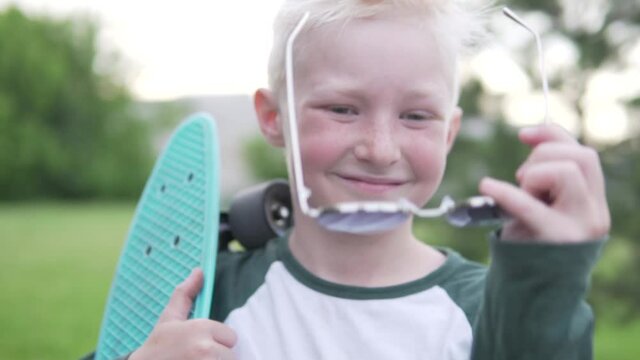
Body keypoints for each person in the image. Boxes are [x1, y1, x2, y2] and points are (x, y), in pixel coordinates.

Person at [129, 0, 610, 359]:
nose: (380, 150)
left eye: (417, 116)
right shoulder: (204, 294)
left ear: (449, 133)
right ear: (274, 118)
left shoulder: (496, 314)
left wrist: (547, 279)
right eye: (342, 109)